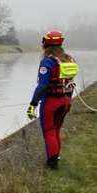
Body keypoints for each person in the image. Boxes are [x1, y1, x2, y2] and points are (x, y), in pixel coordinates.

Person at [27, 30, 78, 170]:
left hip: (51, 102)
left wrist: (33, 103)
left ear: (45, 44)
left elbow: (43, 84)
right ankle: (55, 157)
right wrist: (68, 100)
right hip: (65, 101)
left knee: (49, 131)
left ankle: (52, 164)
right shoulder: (68, 59)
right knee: (56, 131)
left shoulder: (48, 61)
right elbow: (70, 84)